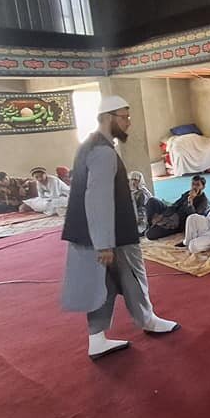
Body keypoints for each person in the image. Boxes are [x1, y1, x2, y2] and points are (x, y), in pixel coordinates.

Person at [60, 95, 180, 360]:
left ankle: (97, 339)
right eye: (124, 117)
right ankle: (148, 320)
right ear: (107, 118)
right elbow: (98, 198)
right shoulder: (103, 152)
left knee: (102, 285)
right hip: (113, 235)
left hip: (91, 234)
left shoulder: (88, 146)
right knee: (134, 277)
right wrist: (104, 243)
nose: (128, 123)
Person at [143, 175, 210, 241]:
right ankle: (150, 225)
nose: (194, 187)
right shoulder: (187, 193)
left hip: (177, 223)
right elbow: (175, 205)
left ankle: (155, 227)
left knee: (149, 234)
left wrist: (190, 201)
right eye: (193, 184)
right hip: (172, 214)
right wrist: (162, 215)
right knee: (152, 201)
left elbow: (195, 218)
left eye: (197, 185)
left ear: (203, 187)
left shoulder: (204, 201)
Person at [128, 171, 154, 235]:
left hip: (143, 217)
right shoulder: (130, 191)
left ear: (140, 180)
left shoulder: (142, 192)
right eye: (131, 179)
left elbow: (142, 210)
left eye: (135, 180)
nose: (133, 182)